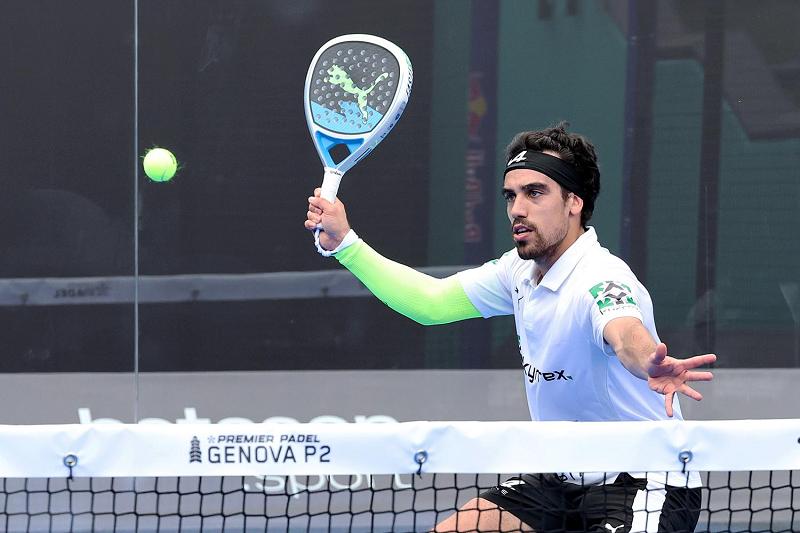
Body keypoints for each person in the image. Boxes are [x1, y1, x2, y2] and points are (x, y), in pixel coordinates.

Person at [304, 123, 715, 532]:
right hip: (560, 478)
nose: (518, 209)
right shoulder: (516, 270)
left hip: (642, 478)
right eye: (511, 195)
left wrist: (649, 361)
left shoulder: (602, 278)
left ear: (574, 201)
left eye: (535, 193)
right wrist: (346, 245)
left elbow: (625, 332)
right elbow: (431, 303)